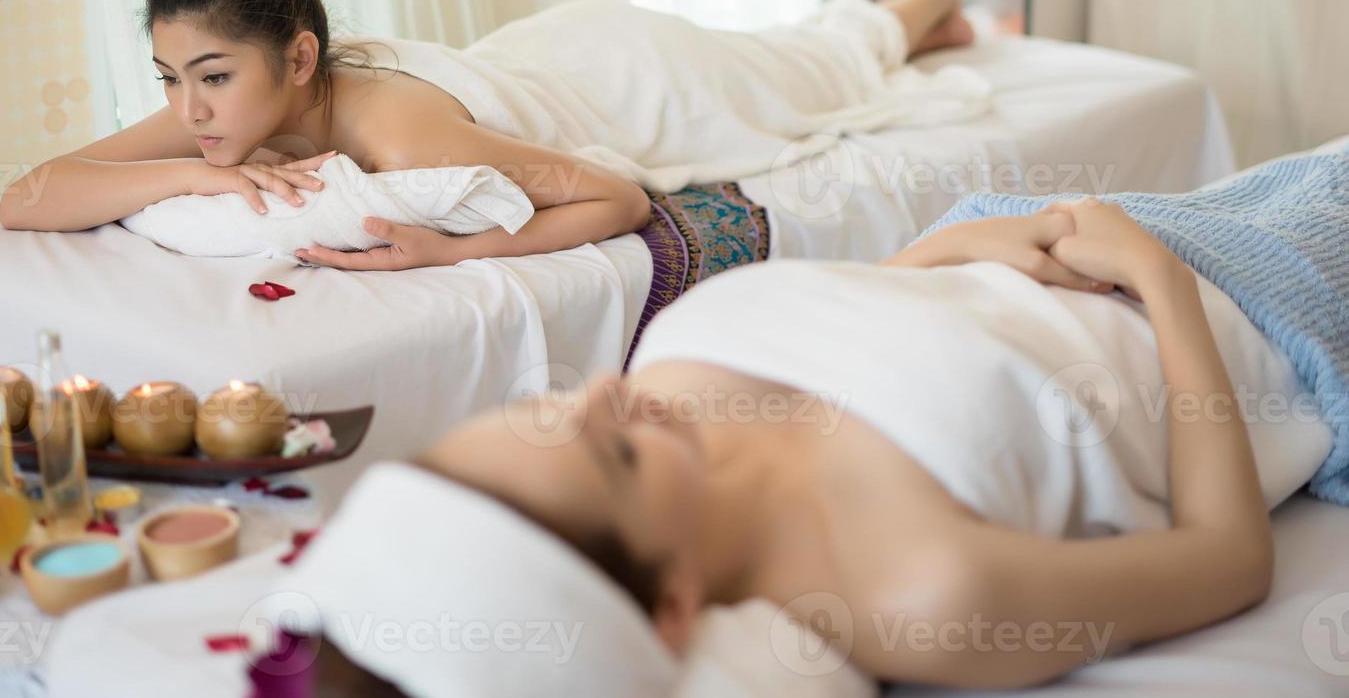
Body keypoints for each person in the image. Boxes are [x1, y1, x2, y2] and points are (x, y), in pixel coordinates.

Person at [385, 142, 1349, 689]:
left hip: (1097, 222)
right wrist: (1156, 279)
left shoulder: (656, 388)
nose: (607, 393)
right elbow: (1226, 560)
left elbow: (860, 310)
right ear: (674, 603)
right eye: (619, 454)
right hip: (1258, 304)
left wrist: (976, 238)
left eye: (554, 407)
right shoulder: (923, 593)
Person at [0, 0, 983, 271]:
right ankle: (915, 23)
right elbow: (28, 195)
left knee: (797, 67)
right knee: (798, 57)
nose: (188, 105)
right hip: (526, 57)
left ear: (298, 57)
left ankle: (921, 2)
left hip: (635, 71)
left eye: (208, 77)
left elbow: (615, 200)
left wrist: (455, 252)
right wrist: (183, 166)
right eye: (168, 77)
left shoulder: (398, 132)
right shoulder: (221, 114)